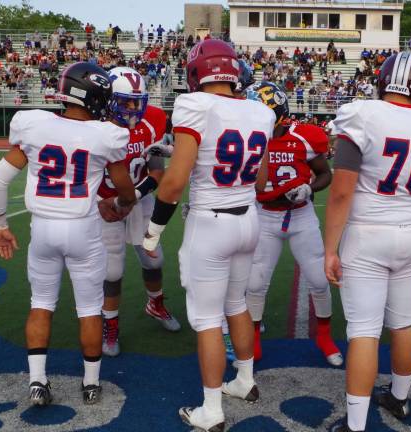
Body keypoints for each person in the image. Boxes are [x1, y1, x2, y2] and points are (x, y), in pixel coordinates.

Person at [141, 40, 276, 431]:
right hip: (248, 218)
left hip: (211, 221)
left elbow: (173, 184)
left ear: (197, 72)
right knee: (237, 303)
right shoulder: (259, 110)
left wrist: (154, 230)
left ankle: (212, 410)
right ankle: (246, 381)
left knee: (206, 320)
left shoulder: (194, 105)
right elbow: (261, 178)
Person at [0, 62, 136, 406]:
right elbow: (124, 188)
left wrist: (0, 226)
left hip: (43, 230)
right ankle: (91, 384)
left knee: (40, 304)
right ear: (96, 96)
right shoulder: (105, 134)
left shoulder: (35, 125)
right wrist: (120, 203)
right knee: (89, 309)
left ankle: (38, 381)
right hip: (83, 230)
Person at [324, 51, 411, 432]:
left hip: (368, 233)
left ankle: (355, 425)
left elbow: (340, 193)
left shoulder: (362, 114)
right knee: (403, 322)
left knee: (364, 330)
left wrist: (330, 248)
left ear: (383, 82)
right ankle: (399, 399)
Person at [245, 81, 343, 366]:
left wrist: (310, 189)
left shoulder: (304, 137)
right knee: (256, 282)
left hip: (300, 215)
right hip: (264, 214)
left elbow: (325, 174)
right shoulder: (249, 138)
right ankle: (253, 339)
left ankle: (324, 336)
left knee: (318, 279)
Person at [97, 67, 181, 358]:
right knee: (112, 270)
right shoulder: (93, 123)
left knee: (154, 259)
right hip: (102, 205)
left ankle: (154, 303)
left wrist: (129, 198)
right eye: (125, 102)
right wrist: (99, 202)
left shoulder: (154, 120)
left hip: (137, 199)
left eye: (138, 102)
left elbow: (157, 174)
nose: (133, 109)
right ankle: (110, 324)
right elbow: (80, 174)